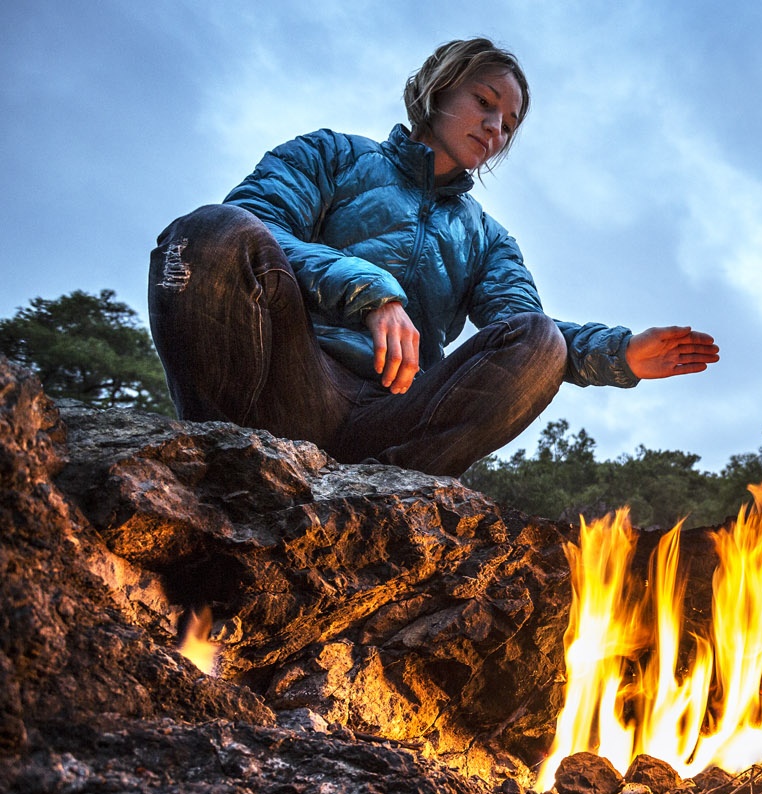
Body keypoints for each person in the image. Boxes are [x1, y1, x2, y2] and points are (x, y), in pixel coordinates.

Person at [148, 38, 717, 478]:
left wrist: (622, 355)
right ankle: (219, 454)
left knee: (539, 340)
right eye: (485, 103)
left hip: (393, 417)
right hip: (286, 378)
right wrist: (368, 290)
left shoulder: (487, 238)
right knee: (208, 231)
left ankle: (381, 500)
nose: (495, 128)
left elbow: (517, 328)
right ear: (438, 90)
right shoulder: (332, 155)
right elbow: (254, 227)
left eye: (510, 124)